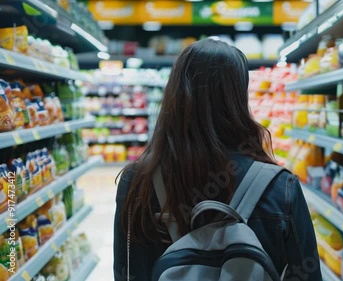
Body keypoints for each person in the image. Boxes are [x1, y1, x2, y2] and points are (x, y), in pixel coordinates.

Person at [113, 38, 322, 281]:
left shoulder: (138, 181)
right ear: (239, 99)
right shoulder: (279, 187)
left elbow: (126, 271)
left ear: (174, 96)